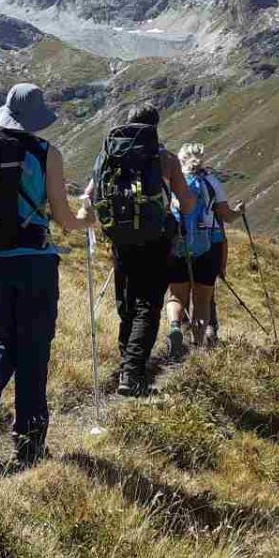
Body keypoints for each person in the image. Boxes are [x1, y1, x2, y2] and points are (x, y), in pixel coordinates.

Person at [0, 84, 91, 467]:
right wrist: (88, 220)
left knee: (3, 336)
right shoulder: (46, 154)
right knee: (33, 349)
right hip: (33, 261)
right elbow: (65, 220)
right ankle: (29, 443)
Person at [84, 105, 193, 397]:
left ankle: (126, 365)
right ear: (155, 126)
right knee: (148, 305)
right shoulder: (165, 159)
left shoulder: (110, 155)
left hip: (120, 239)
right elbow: (187, 202)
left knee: (127, 303)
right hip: (157, 241)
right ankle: (132, 373)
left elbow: (89, 195)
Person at [166, 144, 242, 350]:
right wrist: (239, 211)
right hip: (207, 248)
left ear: (180, 160)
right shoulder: (211, 182)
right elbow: (226, 216)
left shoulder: (173, 181)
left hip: (177, 246)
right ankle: (198, 345)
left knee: (176, 296)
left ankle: (175, 327)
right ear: (202, 160)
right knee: (202, 300)